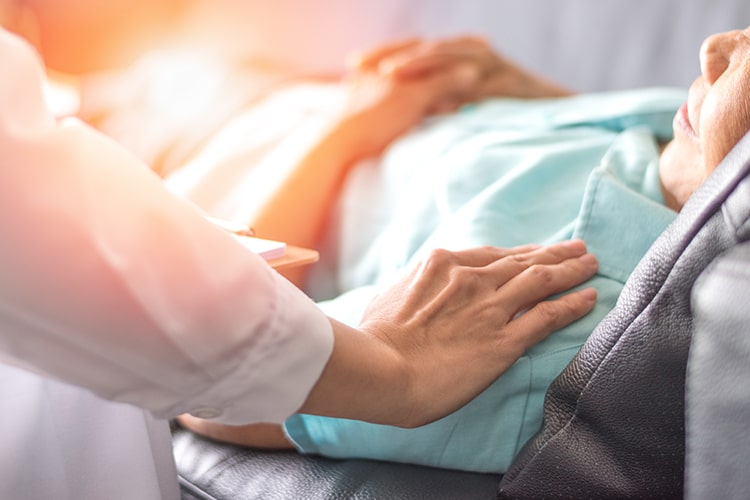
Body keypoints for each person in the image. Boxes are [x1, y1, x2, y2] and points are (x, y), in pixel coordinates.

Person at [0, 2, 598, 499]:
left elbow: (175, 310)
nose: (698, 66)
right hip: (247, 105)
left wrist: (347, 130)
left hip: (211, 129)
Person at [177, 27, 750, 473]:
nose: (715, 49)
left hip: (193, 165)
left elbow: (204, 370)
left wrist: (351, 128)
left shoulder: (537, 330)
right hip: (263, 89)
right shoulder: (692, 137)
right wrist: (539, 104)